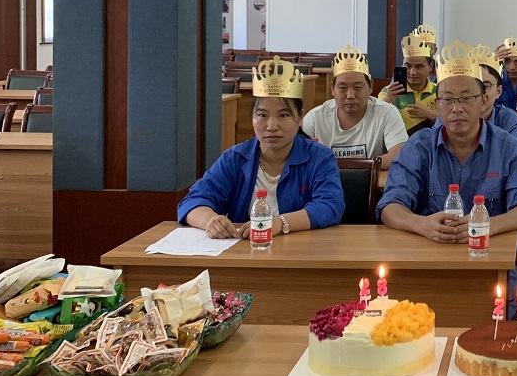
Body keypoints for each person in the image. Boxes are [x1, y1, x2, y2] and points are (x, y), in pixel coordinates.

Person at [379, 41, 517, 243]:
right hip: (431, 248)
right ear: (437, 105)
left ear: (483, 101)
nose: (457, 109)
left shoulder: (509, 148)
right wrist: (421, 224)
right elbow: (390, 206)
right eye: (448, 100)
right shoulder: (419, 147)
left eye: (466, 98)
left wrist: (487, 225)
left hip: (489, 248)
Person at [178, 55, 344, 238]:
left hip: (300, 249)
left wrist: (279, 223)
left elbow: (330, 205)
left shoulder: (319, 157)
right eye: (262, 115)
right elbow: (193, 201)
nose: (271, 126)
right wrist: (210, 220)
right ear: (252, 119)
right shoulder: (235, 158)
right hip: (246, 249)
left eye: (283, 115)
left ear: (299, 118)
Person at [302, 45, 407, 167]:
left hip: (369, 178)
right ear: (332, 89)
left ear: (371, 86)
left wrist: (360, 165)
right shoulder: (315, 117)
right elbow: (299, 156)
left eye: (357, 87)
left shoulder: (387, 112)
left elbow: (400, 154)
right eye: (342, 88)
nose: (350, 95)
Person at [379, 27, 438, 134]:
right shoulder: (389, 92)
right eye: (408, 66)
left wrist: (431, 115)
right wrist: (388, 99)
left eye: (419, 67)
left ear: (430, 66)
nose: (412, 72)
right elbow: (374, 118)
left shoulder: (440, 92)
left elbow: (451, 122)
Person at [473, 45, 517, 149]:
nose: (479, 93)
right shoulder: (451, 117)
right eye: (472, 86)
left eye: (485, 86)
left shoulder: (510, 120)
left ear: (498, 91)